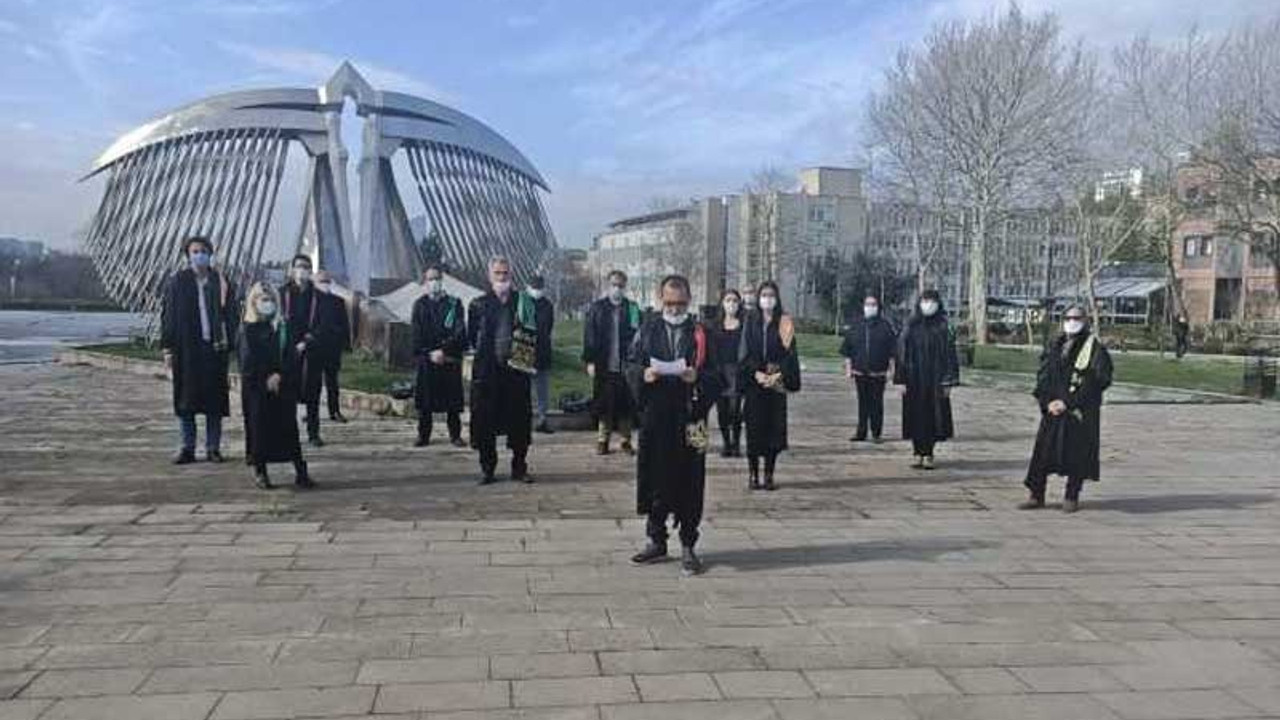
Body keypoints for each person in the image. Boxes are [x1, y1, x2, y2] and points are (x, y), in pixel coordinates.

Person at [627, 274, 722, 576]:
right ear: (660, 299)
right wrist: (643, 375)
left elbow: (720, 376)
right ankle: (656, 538)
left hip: (692, 418)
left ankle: (688, 544)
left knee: (692, 479)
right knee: (655, 474)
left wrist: (699, 378)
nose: (674, 308)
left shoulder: (702, 334)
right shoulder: (647, 329)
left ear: (689, 301)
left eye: (680, 303)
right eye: (669, 303)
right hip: (657, 416)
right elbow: (630, 365)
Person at [1021, 305, 1113, 513]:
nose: (1072, 321)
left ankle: (1071, 495)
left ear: (1085, 320)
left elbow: (1098, 380)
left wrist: (1070, 402)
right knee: (1043, 454)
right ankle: (1036, 493)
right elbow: (1043, 377)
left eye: (1076, 318)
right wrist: (1047, 402)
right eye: (1068, 318)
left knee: (1076, 455)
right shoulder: (1055, 345)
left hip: (1078, 412)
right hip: (1053, 409)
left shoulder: (1094, 348)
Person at [161, 236, 238, 464]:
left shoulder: (220, 281)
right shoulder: (178, 281)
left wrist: (233, 344)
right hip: (187, 349)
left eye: (203, 251)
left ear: (210, 254)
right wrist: (167, 348)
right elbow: (169, 316)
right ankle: (188, 447)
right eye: (195, 251)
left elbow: (232, 315)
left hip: (214, 347)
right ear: (187, 255)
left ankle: (213, 447)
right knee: (187, 400)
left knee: (214, 400)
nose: (199, 255)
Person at [237, 283, 315, 490]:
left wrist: (281, 374)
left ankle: (300, 471)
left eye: (270, 298)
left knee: (289, 429)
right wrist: (267, 376)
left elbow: (291, 354)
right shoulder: (248, 328)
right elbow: (247, 359)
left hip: (283, 386)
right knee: (259, 428)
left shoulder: (283, 326)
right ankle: (261, 471)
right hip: (258, 388)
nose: (267, 303)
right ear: (254, 302)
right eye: (263, 299)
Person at [468, 256, 536, 484]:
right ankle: (488, 468)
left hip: (516, 372)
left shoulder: (523, 302)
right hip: (489, 373)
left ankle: (519, 467)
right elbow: (472, 337)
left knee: (519, 422)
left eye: (505, 273)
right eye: (497, 273)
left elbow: (535, 333)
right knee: (485, 422)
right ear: (490, 276)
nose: (502, 278)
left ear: (511, 276)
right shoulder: (479, 305)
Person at [740, 281, 801, 491]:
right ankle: (753, 473)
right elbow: (744, 353)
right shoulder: (750, 321)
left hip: (776, 383)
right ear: (758, 298)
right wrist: (755, 372)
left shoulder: (784, 322)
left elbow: (790, 353)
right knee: (754, 430)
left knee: (773, 431)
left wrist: (779, 373)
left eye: (771, 295)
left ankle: (769, 474)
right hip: (754, 384)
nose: (768, 299)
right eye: (764, 295)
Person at [893, 289, 959, 470]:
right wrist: (901, 379)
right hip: (914, 379)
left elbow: (951, 356)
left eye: (931, 301)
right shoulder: (911, 326)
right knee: (916, 416)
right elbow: (901, 354)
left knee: (933, 417)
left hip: (935, 380)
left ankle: (928, 453)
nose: (928, 304)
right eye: (925, 301)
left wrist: (949, 381)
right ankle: (917, 452)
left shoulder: (944, 327)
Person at [583, 270, 641, 455]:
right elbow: (589, 335)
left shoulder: (632, 308)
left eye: (621, 285)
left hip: (627, 365)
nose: (617, 288)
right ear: (608, 286)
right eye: (614, 284)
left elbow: (638, 336)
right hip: (604, 364)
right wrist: (590, 360)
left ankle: (626, 440)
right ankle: (603, 439)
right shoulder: (597, 308)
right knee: (604, 403)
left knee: (626, 404)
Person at [411, 265, 467, 448]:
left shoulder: (454, 303)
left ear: (442, 280)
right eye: (430, 279)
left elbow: (459, 332)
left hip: (448, 358)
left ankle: (455, 435)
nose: (434, 282)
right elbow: (417, 334)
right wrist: (429, 352)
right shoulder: (420, 305)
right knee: (425, 402)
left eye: (437, 278)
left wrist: (444, 350)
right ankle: (423, 436)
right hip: (427, 359)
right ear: (425, 282)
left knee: (452, 402)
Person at [280, 254, 326, 447]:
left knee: (312, 395)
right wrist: (290, 345)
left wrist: (307, 341)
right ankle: (286, 434)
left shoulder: (318, 297)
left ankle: (313, 433)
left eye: (306, 267)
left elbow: (323, 324)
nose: (302, 270)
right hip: (287, 351)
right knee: (286, 395)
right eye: (299, 266)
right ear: (292, 269)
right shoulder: (282, 293)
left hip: (311, 350)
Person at [840, 294, 897, 443]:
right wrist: (848, 368)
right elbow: (848, 349)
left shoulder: (885, 327)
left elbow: (893, 351)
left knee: (876, 403)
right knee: (862, 403)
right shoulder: (856, 325)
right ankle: (861, 431)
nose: (870, 307)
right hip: (860, 371)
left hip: (878, 373)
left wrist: (892, 370)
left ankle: (876, 432)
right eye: (867, 304)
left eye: (873, 304)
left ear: (878, 307)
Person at [312, 271, 350, 424]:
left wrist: (345, 344)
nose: (325, 284)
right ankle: (312, 412)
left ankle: (334, 411)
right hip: (315, 347)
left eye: (327, 281)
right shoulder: (311, 301)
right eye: (322, 281)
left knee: (332, 382)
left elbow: (344, 324)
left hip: (332, 348)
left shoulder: (338, 301)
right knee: (313, 384)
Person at [711, 289, 745, 457]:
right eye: (728, 300)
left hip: (737, 372)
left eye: (735, 301)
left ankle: (736, 443)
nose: (731, 304)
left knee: (735, 411)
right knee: (722, 411)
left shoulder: (744, 325)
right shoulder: (715, 326)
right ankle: (726, 443)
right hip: (720, 371)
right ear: (722, 303)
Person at [528, 275, 556, 434]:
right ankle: (523, 419)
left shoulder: (547, 305)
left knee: (542, 388)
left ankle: (542, 419)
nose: (537, 290)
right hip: (525, 350)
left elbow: (549, 326)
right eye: (535, 287)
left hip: (543, 350)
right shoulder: (523, 303)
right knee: (524, 388)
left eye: (540, 287)